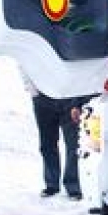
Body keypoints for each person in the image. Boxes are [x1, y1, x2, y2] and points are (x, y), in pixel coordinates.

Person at [19, 67, 89, 200]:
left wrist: (78, 100)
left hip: (70, 97)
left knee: (73, 144)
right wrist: (33, 90)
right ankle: (51, 184)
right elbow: (24, 63)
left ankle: (73, 185)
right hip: (42, 97)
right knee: (47, 143)